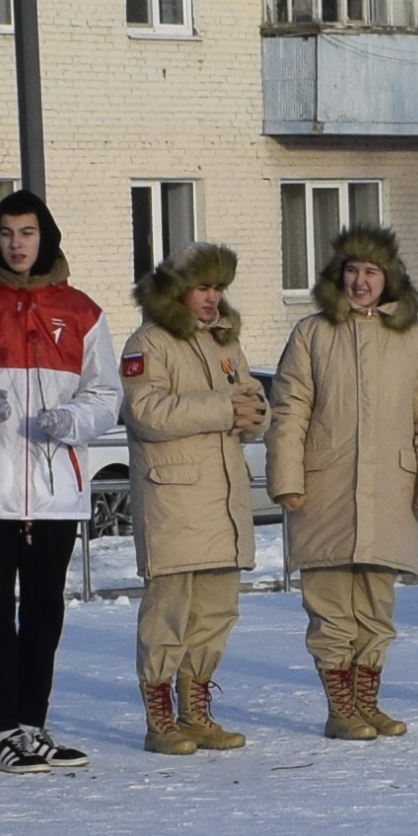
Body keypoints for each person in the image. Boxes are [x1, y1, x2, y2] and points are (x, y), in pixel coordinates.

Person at [0, 189, 123, 771]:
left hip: (56, 491)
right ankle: (3, 731)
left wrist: (74, 421)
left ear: (46, 237)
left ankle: (33, 724)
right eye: (7, 233)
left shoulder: (83, 312)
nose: (17, 244)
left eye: (28, 233)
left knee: (44, 611)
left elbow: (106, 395)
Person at [263, 221, 418, 739]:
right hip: (324, 490)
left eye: (371, 271)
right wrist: (287, 479)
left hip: (389, 488)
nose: (361, 282)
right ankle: (340, 707)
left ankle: (367, 702)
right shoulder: (312, 333)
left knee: (376, 605)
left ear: (388, 278)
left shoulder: (412, 338)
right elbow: (289, 410)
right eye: (352, 270)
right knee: (329, 606)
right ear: (336, 276)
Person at [118, 242, 266, 755]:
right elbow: (148, 413)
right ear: (178, 289)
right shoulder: (149, 342)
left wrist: (256, 413)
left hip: (223, 500)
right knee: (168, 614)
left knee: (217, 612)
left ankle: (197, 710)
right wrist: (227, 408)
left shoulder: (225, 341)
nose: (212, 298)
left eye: (219, 288)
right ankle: (161, 717)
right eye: (203, 287)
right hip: (174, 501)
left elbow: (250, 396)